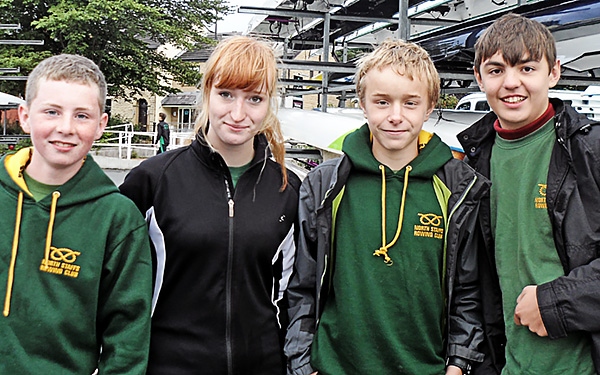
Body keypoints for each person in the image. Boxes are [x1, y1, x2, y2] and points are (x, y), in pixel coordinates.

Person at [285, 39, 489, 375]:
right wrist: (303, 364)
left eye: (410, 103)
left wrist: (458, 364)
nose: (396, 116)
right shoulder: (325, 186)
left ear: (429, 106)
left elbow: (467, 291)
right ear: (362, 104)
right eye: (382, 102)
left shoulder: (458, 189)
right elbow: (303, 287)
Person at [120, 36, 301, 375]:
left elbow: (295, 293)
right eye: (226, 94)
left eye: (254, 99)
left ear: (269, 104)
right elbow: (116, 284)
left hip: (261, 365)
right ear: (206, 92)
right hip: (169, 365)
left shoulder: (288, 189)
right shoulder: (153, 180)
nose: (238, 113)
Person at [458, 13, 600, 375]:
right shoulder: (472, 165)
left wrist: (556, 302)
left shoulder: (590, 152)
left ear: (553, 73)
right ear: (478, 78)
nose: (510, 83)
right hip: (510, 365)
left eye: (526, 68)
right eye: (495, 70)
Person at [0, 54, 152, 374]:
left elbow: (127, 340)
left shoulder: (118, 218)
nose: (65, 128)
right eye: (52, 112)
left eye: (82, 115)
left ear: (101, 125)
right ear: (25, 116)